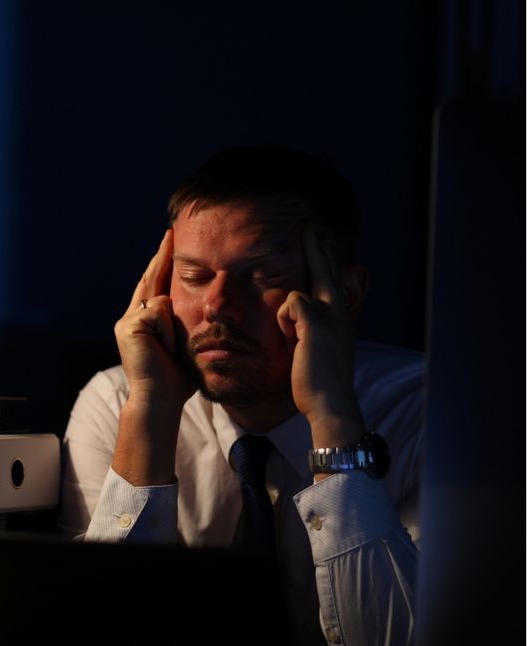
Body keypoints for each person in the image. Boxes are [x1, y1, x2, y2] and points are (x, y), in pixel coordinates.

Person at [60, 145, 422, 646]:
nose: (218, 307)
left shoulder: (428, 412)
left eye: (262, 276)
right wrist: (150, 410)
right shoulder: (117, 400)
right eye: (193, 276)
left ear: (347, 295)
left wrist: (333, 414)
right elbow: (99, 629)